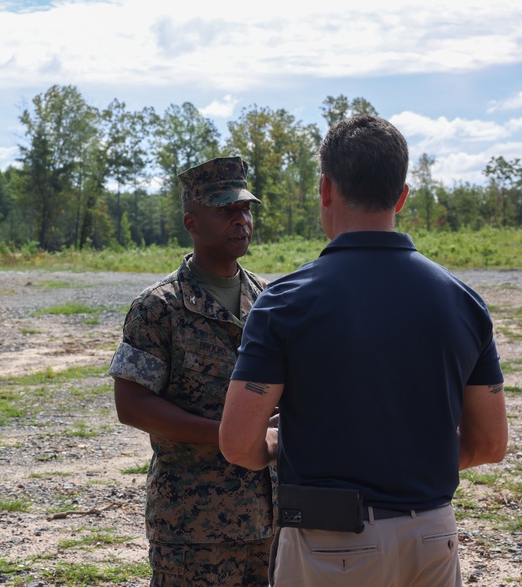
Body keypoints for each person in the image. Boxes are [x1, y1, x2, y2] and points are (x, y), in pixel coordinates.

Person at [220, 115, 508, 587]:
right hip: (434, 538)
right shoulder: (462, 301)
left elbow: (237, 443)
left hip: (332, 545)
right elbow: (489, 445)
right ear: (402, 195)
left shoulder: (286, 302)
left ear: (326, 189)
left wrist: (275, 444)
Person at [109, 156, 275, 586]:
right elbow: (133, 405)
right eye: (226, 211)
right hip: (194, 527)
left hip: (269, 517)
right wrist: (227, 433)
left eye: (245, 209)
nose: (241, 221)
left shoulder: (270, 299)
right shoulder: (158, 306)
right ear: (192, 222)